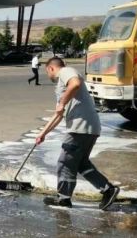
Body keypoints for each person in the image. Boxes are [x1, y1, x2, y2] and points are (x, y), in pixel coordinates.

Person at [36, 57, 119, 210]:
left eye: (47, 72)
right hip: (89, 127)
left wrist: (61, 103)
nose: (48, 75)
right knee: (81, 164)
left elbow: (75, 83)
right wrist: (43, 133)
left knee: (65, 161)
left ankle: (64, 199)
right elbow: (58, 114)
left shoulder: (66, 72)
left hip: (80, 127)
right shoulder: (62, 89)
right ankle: (108, 189)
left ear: (50, 68)